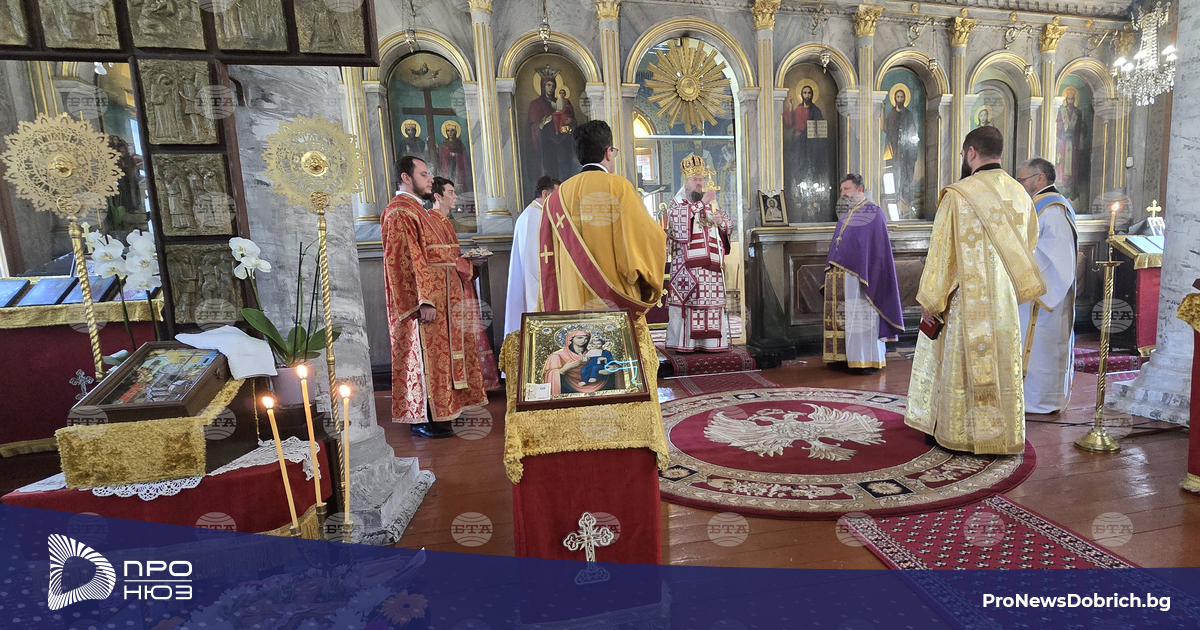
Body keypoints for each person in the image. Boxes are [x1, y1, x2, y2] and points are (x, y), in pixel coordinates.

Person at [905, 126, 1046, 455]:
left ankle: (960, 433)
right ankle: (999, 434)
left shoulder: (959, 194)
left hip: (965, 301)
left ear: (971, 152)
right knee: (1000, 364)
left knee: (962, 366)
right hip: (1004, 302)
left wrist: (931, 299)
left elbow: (943, 254)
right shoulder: (1021, 194)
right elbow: (1028, 246)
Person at [381, 157, 488, 438]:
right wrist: (422, 300)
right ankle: (423, 419)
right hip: (424, 304)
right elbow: (404, 260)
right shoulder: (399, 211)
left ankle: (442, 411)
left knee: (440, 359)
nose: (430, 179)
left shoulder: (418, 210)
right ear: (406, 178)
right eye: (424, 174)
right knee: (424, 359)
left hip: (442, 299)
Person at [536, 119, 665, 319]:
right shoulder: (619, 188)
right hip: (614, 305)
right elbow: (645, 243)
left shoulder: (556, 198)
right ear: (608, 152)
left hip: (573, 305)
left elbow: (548, 260)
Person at [822, 173, 904, 374]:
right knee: (844, 318)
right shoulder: (846, 214)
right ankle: (843, 358)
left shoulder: (873, 213)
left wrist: (863, 271)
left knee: (861, 318)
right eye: (842, 190)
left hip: (862, 280)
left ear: (859, 189)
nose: (843, 194)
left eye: (847, 189)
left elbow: (876, 252)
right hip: (842, 279)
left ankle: (865, 360)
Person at [1015, 157, 1078, 414]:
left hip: (1044, 296)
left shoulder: (1052, 209)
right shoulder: (1040, 206)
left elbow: (1058, 259)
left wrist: (1020, 267)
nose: (1020, 185)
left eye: (1022, 180)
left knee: (1041, 348)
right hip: (1032, 293)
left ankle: (1040, 402)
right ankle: (1028, 399)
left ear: (1040, 178)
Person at [431, 176, 500, 391]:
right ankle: (468, 383)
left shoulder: (444, 221)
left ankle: (477, 380)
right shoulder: (433, 221)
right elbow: (442, 258)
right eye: (450, 192)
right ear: (437, 196)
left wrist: (470, 262)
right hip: (450, 288)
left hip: (459, 284)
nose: (455, 197)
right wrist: (469, 264)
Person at [665, 153, 731, 352]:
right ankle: (685, 344)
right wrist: (702, 204)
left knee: (711, 304)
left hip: (710, 267)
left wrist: (721, 222)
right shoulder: (677, 203)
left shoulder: (711, 203)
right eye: (695, 179)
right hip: (687, 268)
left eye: (701, 179)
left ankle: (711, 343)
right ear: (686, 181)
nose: (699, 183)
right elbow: (678, 225)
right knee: (689, 304)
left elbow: (727, 224)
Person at [504, 175, 559, 336]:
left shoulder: (537, 214)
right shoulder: (533, 217)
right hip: (535, 283)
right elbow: (533, 261)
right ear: (545, 194)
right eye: (556, 196)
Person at [884, 86, 919, 206]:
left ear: (905, 99)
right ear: (895, 98)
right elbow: (886, 129)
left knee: (906, 171)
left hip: (906, 149)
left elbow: (912, 130)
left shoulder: (908, 114)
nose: (900, 99)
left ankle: (905, 194)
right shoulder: (891, 114)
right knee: (894, 171)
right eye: (898, 97)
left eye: (902, 97)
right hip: (894, 148)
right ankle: (894, 195)